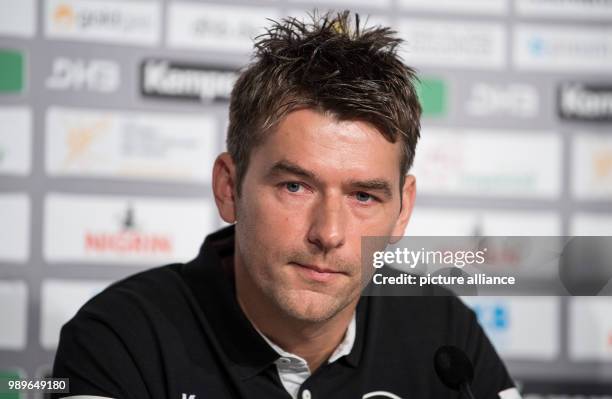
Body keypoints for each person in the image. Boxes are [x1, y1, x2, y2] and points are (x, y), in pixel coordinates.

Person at [52, 11, 520, 399]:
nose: (328, 233)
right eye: (296, 186)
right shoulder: (119, 337)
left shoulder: (444, 332)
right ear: (229, 188)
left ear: (402, 210)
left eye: (363, 196)